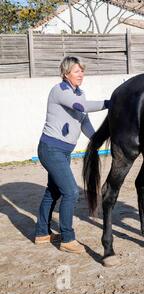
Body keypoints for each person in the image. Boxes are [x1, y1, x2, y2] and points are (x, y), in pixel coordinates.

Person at [35, 56, 110, 254]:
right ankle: (67, 239)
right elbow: (82, 107)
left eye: (82, 71)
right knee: (71, 192)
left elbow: (83, 120)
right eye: (77, 71)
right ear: (66, 73)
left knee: (54, 191)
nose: (81, 75)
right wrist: (110, 102)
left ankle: (42, 232)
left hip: (62, 151)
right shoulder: (60, 91)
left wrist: (96, 141)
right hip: (51, 149)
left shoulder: (79, 93)